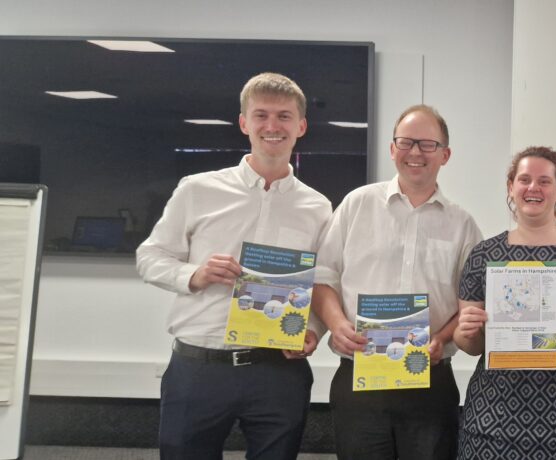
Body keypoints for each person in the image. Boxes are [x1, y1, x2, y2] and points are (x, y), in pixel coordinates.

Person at [136, 72, 331, 459]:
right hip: (199, 367)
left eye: (284, 116)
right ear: (244, 122)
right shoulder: (197, 189)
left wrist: (312, 328)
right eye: (261, 115)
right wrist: (194, 273)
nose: (272, 126)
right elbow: (149, 257)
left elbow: (323, 280)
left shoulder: (318, 206)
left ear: (301, 126)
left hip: (277, 370)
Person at [311, 104, 482, 460]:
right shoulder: (356, 205)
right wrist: (336, 323)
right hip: (360, 377)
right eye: (406, 142)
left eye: (427, 144)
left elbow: (472, 302)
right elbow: (323, 276)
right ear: (392, 149)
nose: (415, 152)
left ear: (445, 155)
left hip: (430, 380)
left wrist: (442, 337)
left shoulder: (463, 225)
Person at [454, 146, 556, 459]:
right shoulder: (483, 255)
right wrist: (467, 329)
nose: (533, 188)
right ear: (511, 187)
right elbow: (469, 344)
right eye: (524, 179)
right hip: (492, 423)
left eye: (545, 181)